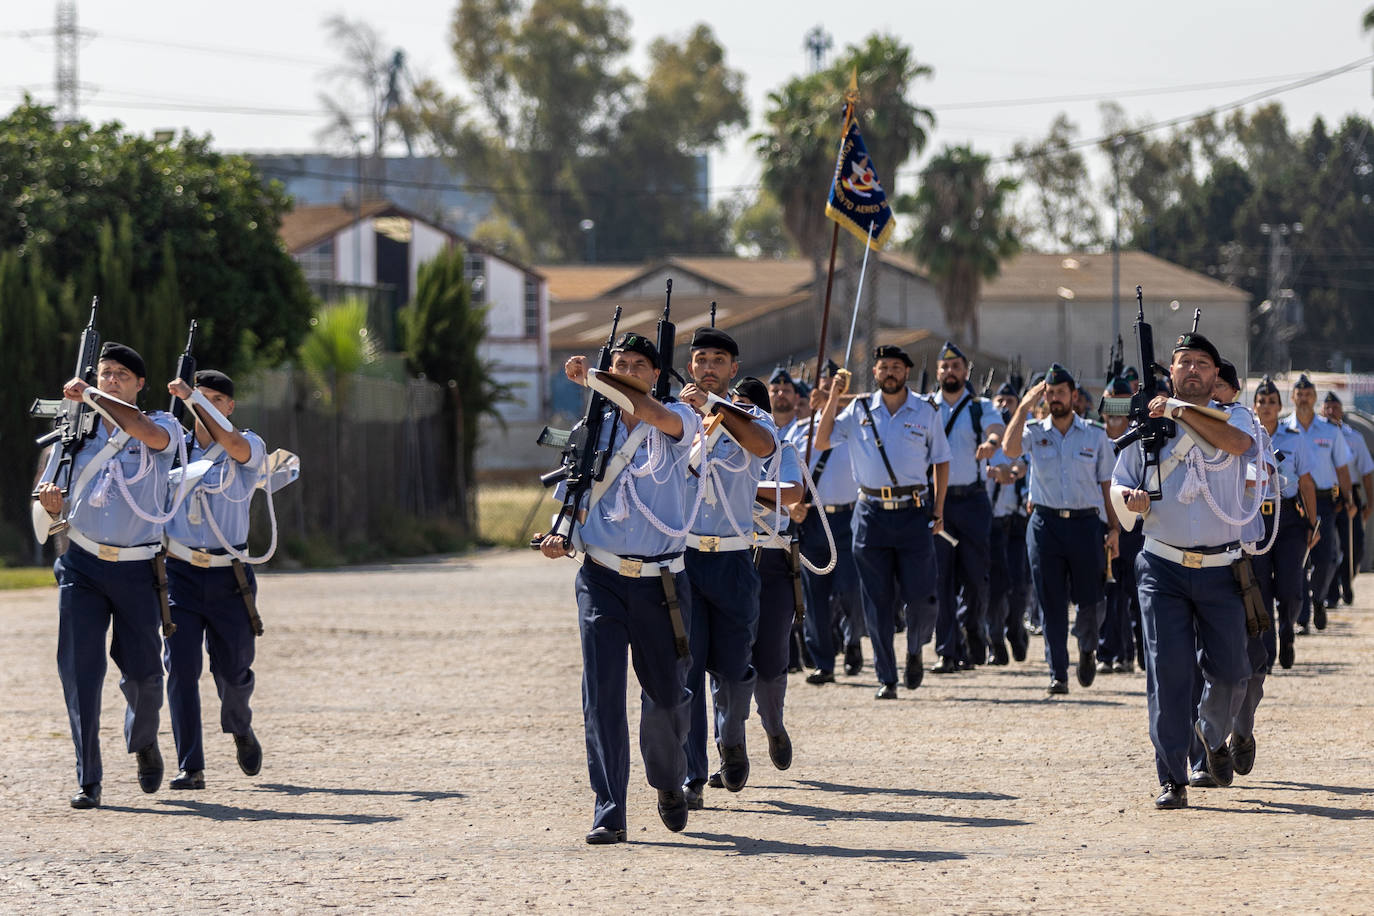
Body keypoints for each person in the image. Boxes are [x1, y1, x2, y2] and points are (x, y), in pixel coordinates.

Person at [541, 331, 701, 844]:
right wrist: (558, 535)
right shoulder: (593, 429)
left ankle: (667, 780)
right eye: (620, 363)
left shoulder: (679, 421)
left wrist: (594, 377)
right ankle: (609, 808)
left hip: (662, 584)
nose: (628, 370)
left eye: (638, 364)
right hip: (602, 578)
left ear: (656, 374)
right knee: (602, 694)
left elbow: (653, 415)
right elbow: (571, 494)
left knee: (667, 697)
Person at [1111, 329, 1260, 809]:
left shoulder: (1236, 416)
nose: (1193, 369)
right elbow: (1120, 482)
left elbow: (1236, 444)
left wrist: (1178, 411)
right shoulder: (1147, 424)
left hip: (1222, 568)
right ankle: (1172, 776)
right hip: (1163, 566)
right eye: (1184, 362)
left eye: (1202, 362)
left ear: (1216, 375)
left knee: (1235, 673)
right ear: (1170, 373)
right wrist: (1128, 503)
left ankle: (1210, 731)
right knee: (1168, 674)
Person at [34, 342, 183, 809]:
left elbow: (143, 432)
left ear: (140, 384)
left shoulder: (162, 426)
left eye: (122, 374)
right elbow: (46, 494)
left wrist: (95, 398)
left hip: (138, 567)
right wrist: (51, 504)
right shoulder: (72, 433)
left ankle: (143, 740)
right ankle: (88, 777)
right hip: (81, 563)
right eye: (104, 373)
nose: (111, 379)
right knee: (79, 670)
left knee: (142, 673)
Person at [813, 345, 950, 699]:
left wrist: (938, 509)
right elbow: (823, 439)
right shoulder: (858, 410)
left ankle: (917, 648)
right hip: (870, 514)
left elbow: (941, 460)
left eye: (896, 367)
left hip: (913, 511)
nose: (889, 372)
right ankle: (887, 677)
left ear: (907, 371)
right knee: (877, 599)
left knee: (922, 598)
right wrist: (833, 397)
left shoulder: (926, 410)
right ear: (874, 373)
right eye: (883, 367)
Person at [677, 327, 778, 809]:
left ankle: (732, 736)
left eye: (720, 359)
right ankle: (692, 775)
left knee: (736, 670)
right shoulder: (672, 416)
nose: (710, 367)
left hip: (736, 557)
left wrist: (715, 408)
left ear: (733, 369)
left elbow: (761, 447)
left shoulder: (750, 415)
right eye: (701, 359)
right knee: (687, 670)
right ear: (690, 366)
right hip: (686, 558)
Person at [161, 370, 269, 790]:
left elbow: (237, 447)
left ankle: (240, 725)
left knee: (233, 671)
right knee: (181, 669)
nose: (203, 406)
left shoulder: (247, 444)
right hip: (180, 573)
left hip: (230, 577)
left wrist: (193, 397)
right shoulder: (171, 450)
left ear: (229, 407)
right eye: (197, 399)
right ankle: (191, 764)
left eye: (214, 399)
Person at [1003, 364, 1119, 695]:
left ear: (1073, 395)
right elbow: (1010, 450)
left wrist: (1114, 529)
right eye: (1050, 393)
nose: (1055, 398)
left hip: (1085, 525)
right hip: (1045, 525)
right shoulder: (1034, 431)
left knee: (1092, 601)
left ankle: (1086, 647)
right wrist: (1024, 407)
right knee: (1050, 602)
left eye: (1061, 393)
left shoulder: (1095, 435)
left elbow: (1106, 483)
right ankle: (1058, 673)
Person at [723, 377, 804, 779]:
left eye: (747, 410)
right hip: (727, 555)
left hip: (770, 558)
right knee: (726, 660)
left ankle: (773, 724)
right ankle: (729, 744)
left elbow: (791, 494)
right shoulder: (712, 451)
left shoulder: (781, 448)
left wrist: (746, 486)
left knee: (771, 658)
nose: (739, 417)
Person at [928, 342, 1003, 672]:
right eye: (944, 367)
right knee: (940, 578)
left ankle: (972, 630)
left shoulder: (979, 406)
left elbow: (996, 429)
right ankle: (947, 649)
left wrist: (991, 444)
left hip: (972, 502)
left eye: (955, 366)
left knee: (975, 578)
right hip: (938, 502)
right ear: (937, 371)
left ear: (966, 371)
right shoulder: (926, 406)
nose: (949, 372)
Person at [790, 361, 867, 683]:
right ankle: (823, 661)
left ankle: (852, 639)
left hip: (848, 516)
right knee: (815, 597)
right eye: (823, 387)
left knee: (851, 590)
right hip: (812, 519)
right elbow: (788, 472)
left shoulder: (857, 426)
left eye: (835, 387)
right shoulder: (801, 431)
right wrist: (792, 504)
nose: (827, 392)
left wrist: (838, 399)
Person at [1258, 379, 1321, 669]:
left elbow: (1306, 483)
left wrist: (1312, 524)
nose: (1266, 406)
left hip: (1288, 519)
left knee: (1290, 586)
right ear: (1254, 405)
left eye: (1272, 401)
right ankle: (1267, 649)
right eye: (1261, 401)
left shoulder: (1294, 438)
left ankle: (1287, 629)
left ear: (1280, 406)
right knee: (1260, 588)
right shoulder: (1244, 436)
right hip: (1255, 518)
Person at [1284, 375, 1355, 633]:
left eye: (1308, 395)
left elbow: (1342, 468)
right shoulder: (1283, 429)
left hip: (1325, 501)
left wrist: (1348, 498)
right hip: (1294, 503)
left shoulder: (1330, 430)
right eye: (1299, 395)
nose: (1303, 399)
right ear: (1292, 397)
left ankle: (1318, 599)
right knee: (1299, 560)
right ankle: (1302, 617)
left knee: (1326, 559)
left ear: (1314, 398)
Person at [1097, 376, 1144, 674]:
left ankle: (1139, 653)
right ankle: (1108, 652)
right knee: (1109, 593)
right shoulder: (1092, 436)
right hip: (1102, 524)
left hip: (1135, 525)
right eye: (1110, 400)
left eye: (1121, 402)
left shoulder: (1140, 435)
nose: (1114, 409)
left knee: (1138, 595)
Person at [984, 381, 1031, 666]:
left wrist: (1016, 470)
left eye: (1009, 402)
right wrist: (994, 472)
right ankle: (995, 640)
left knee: (1018, 585)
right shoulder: (987, 435)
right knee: (993, 587)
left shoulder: (1025, 435)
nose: (1003, 406)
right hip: (991, 521)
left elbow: (1027, 466)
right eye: (999, 401)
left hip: (1017, 522)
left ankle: (1015, 628)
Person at [1321, 391, 1372, 606]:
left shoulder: (1355, 437)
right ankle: (1332, 594)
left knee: (1356, 544)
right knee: (1329, 546)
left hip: (1350, 494)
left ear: (1342, 411)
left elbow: (1368, 472)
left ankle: (1346, 580)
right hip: (1325, 495)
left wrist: (1369, 503)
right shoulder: (1315, 435)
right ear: (1322, 411)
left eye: (1335, 407)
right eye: (1328, 407)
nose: (1332, 411)